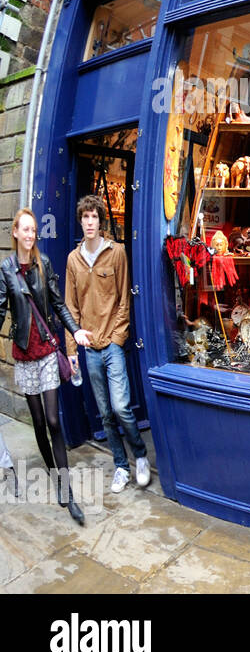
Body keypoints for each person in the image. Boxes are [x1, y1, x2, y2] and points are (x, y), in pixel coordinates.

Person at [0, 208, 92, 524]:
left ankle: (66, 493)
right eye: (25, 229)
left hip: (47, 351)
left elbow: (57, 303)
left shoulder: (44, 263)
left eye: (33, 230)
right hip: (24, 355)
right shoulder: (6, 269)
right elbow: (1, 311)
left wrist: (75, 329)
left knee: (53, 420)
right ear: (15, 233)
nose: (30, 235)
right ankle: (53, 474)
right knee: (38, 422)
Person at [65, 194, 150, 493]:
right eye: (85, 217)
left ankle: (139, 454)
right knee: (104, 413)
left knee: (121, 407)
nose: (89, 222)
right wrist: (73, 350)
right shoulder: (73, 259)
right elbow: (70, 307)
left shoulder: (116, 253)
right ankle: (120, 466)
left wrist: (117, 338)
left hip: (112, 343)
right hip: (89, 347)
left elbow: (124, 300)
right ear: (81, 221)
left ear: (101, 221)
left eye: (94, 217)